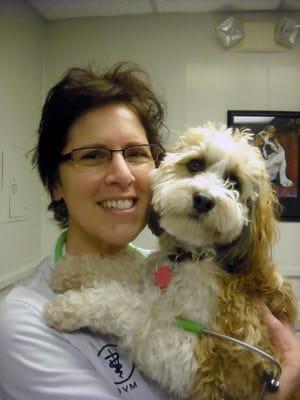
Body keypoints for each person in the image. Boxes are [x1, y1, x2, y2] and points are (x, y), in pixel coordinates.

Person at [0, 62, 299, 400]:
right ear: (55, 183)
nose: (122, 175)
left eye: (135, 153)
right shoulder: (21, 324)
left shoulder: (159, 266)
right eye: (94, 154)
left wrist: (107, 306)